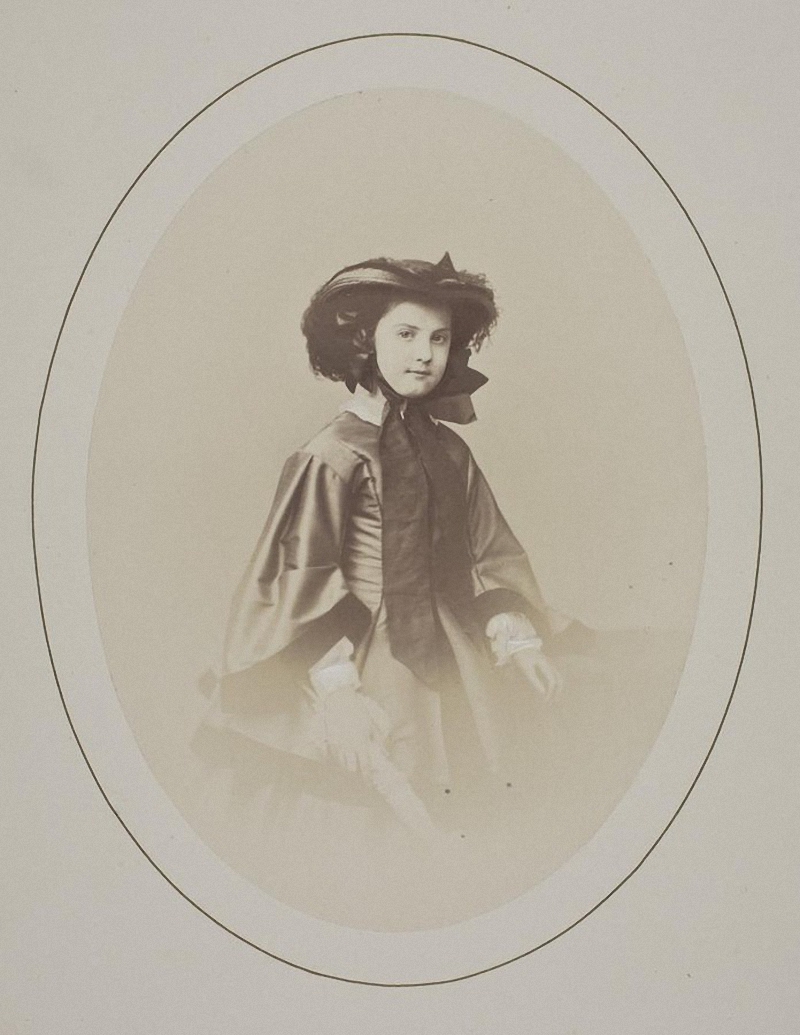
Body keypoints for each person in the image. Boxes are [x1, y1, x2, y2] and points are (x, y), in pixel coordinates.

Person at [195, 254, 575, 874]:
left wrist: (517, 637)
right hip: (363, 657)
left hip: (454, 650)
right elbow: (301, 574)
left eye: (439, 339)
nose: (424, 354)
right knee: (366, 830)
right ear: (362, 342)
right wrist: (337, 692)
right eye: (405, 334)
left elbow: (487, 548)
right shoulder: (330, 454)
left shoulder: (451, 451)